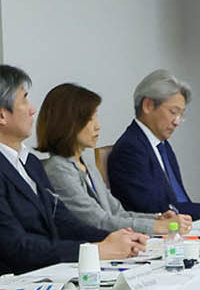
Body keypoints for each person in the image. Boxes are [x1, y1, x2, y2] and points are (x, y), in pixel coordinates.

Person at [0, 64, 145, 283]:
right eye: (24, 99)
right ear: (1, 114)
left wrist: (113, 239)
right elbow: (18, 248)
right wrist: (95, 250)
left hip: (53, 274)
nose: (32, 109)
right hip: (14, 289)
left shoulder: (29, 161)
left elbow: (62, 221)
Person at [106, 69, 200, 223]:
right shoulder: (130, 149)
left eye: (181, 115)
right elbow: (153, 208)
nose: (177, 122)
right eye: (173, 112)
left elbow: (177, 198)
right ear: (148, 105)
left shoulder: (162, 145)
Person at [36, 82, 158, 237]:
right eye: (90, 119)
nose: (98, 126)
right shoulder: (58, 169)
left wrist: (159, 218)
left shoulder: (85, 162)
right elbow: (99, 222)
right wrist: (157, 227)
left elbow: (117, 212)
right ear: (67, 122)